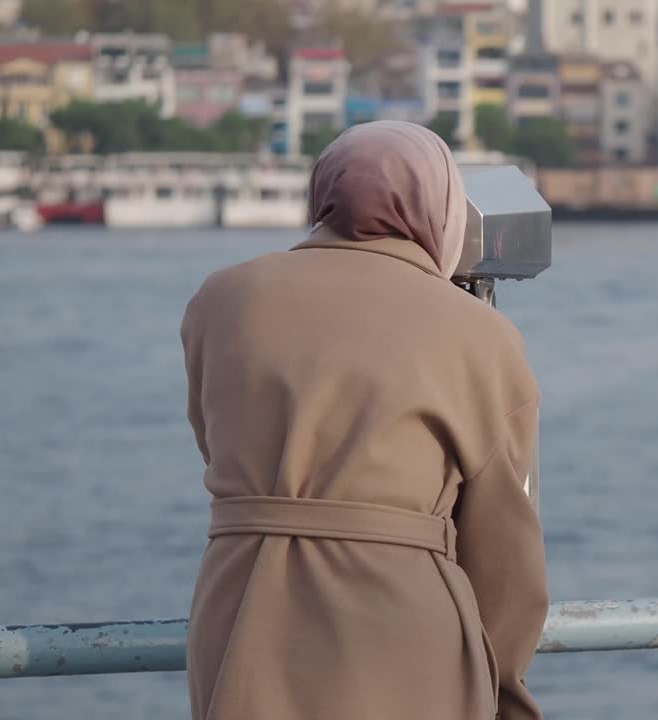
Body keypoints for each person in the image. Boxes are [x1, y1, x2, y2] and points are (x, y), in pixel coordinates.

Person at [180, 121, 548, 720]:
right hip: (400, 623)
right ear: (442, 206)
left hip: (242, 605)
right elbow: (504, 543)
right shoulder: (481, 335)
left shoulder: (220, 300)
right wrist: (504, 692)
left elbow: (213, 441)